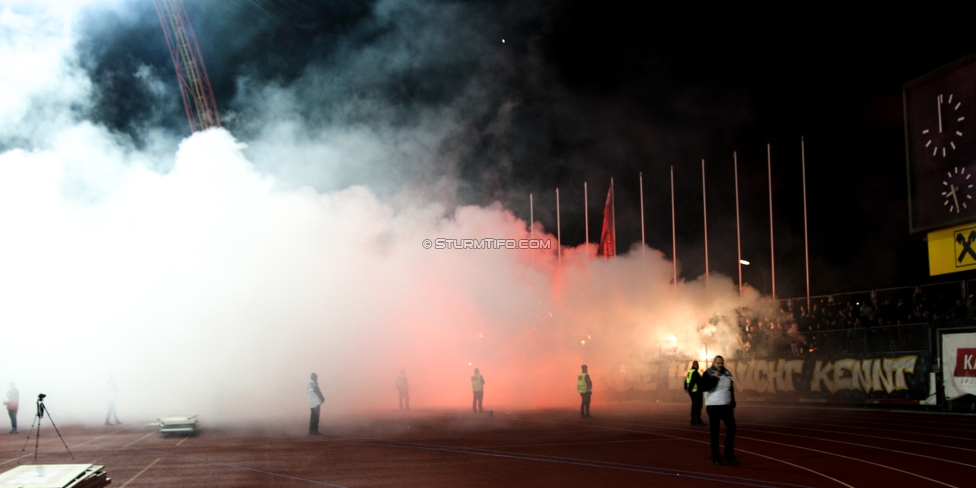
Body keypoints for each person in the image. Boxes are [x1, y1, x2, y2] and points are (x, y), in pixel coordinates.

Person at [701, 355, 738, 466]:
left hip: (725, 405)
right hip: (713, 406)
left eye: (721, 363)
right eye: (718, 363)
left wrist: (733, 403)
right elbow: (704, 387)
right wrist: (715, 378)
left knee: (732, 427)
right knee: (715, 432)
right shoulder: (708, 373)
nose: (720, 365)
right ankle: (716, 457)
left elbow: (731, 389)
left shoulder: (727, 374)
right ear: (714, 363)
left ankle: (728, 455)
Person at [685, 361, 705, 426]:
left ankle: (693, 420)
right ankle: (698, 420)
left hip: (692, 392)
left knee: (694, 406)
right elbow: (697, 381)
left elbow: (686, 380)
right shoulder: (695, 373)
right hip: (696, 392)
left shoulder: (690, 372)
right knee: (698, 406)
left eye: (698, 364)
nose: (698, 366)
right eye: (697, 365)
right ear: (694, 365)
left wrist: (687, 388)